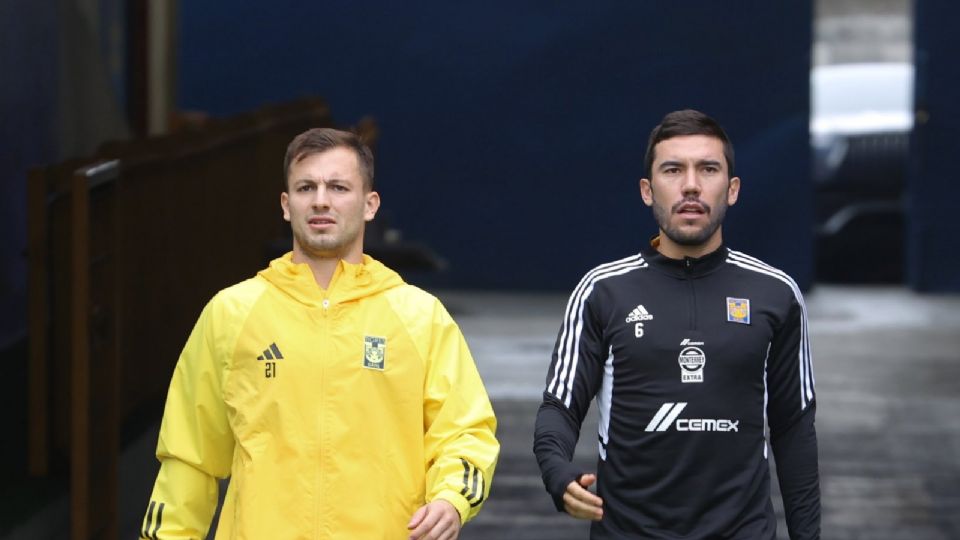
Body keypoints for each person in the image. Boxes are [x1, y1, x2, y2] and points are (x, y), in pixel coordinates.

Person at [140, 128, 499, 539]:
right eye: (306, 186)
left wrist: (451, 498)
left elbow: (465, 431)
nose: (321, 200)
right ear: (285, 204)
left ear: (370, 205)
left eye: (339, 187)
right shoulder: (231, 314)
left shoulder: (418, 316)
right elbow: (189, 458)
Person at [533, 109, 820, 539]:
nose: (690, 184)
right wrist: (559, 475)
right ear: (647, 191)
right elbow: (559, 408)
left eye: (708, 169)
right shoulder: (602, 291)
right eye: (673, 170)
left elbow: (794, 429)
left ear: (733, 189)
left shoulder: (775, 293)